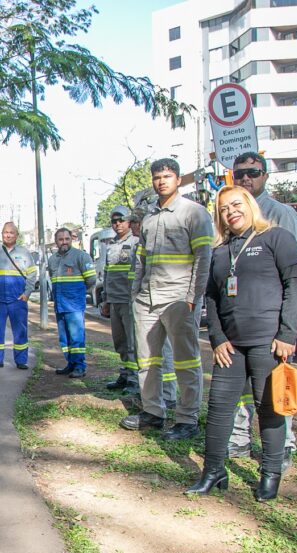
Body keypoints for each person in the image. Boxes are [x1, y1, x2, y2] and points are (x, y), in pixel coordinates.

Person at [186, 186, 297, 501]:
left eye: (236, 204)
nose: (230, 212)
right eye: (224, 209)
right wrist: (218, 337)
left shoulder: (277, 238)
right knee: (218, 408)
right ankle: (213, 472)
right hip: (231, 347)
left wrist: (287, 335)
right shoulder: (221, 251)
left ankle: (270, 475)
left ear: (250, 205)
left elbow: (296, 285)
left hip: (269, 343)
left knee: (269, 410)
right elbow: (211, 296)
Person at [121, 158, 212, 440]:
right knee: (147, 361)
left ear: (178, 179)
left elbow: (203, 258)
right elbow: (141, 261)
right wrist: (136, 294)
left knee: (186, 361)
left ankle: (187, 418)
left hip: (178, 299)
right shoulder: (148, 219)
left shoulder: (194, 213)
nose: (162, 181)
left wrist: (193, 297)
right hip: (147, 299)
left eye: (168, 176)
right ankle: (153, 412)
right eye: (157, 177)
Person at [228, 152, 297, 466]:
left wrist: (287, 330)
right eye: (240, 174)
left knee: (275, 386)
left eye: (253, 172)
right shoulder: (231, 217)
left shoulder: (281, 213)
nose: (246, 179)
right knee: (243, 386)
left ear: (265, 176)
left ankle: (282, 446)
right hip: (241, 319)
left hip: (272, 321)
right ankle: (239, 441)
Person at [129, 213, 178, 408]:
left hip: (163, 301)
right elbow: (139, 272)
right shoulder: (140, 243)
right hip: (145, 301)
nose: (133, 226)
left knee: (164, 353)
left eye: (136, 222)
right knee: (148, 355)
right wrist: (135, 297)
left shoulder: (160, 240)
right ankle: (153, 399)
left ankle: (168, 395)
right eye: (132, 222)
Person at [0, 222, 38, 370]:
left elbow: (32, 275)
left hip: (17, 300)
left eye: (11, 232)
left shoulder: (25, 253)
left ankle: (21, 360)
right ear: (2, 234)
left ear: (17, 235)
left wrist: (26, 294)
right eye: (5, 232)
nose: (8, 235)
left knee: (20, 331)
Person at [48, 227, 97, 378]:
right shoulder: (53, 260)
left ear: (72, 239)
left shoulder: (81, 257)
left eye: (67, 239)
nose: (64, 242)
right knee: (64, 338)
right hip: (60, 304)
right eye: (60, 239)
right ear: (56, 241)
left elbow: (91, 280)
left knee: (76, 337)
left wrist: (77, 293)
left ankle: (80, 366)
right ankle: (70, 364)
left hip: (74, 304)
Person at [101, 206, 140, 391]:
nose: (117, 224)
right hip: (115, 300)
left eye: (121, 220)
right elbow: (107, 274)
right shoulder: (110, 245)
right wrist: (106, 300)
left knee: (133, 343)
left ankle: (134, 380)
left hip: (129, 300)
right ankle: (125, 374)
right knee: (120, 342)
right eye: (114, 221)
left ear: (129, 221)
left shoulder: (136, 242)